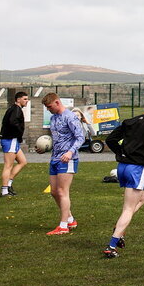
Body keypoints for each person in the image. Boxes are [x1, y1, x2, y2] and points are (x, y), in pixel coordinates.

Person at [102, 96, 144, 258]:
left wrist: (121, 152)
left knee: (143, 198)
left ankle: (119, 227)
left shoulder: (129, 121)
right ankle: (112, 245)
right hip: (137, 168)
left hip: (122, 167)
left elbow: (110, 139)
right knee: (128, 209)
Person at [42, 94, 85, 236]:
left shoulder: (70, 117)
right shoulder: (53, 118)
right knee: (54, 192)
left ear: (57, 102)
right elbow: (57, 139)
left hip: (68, 160)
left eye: (49, 107)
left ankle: (63, 226)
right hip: (54, 158)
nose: (48, 110)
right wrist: (43, 148)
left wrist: (70, 152)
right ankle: (70, 219)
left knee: (62, 191)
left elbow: (80, 137)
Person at [0, 90, 29, 197]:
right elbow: (13, 123)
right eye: (25, 99)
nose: (27, 101)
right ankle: (4, 191)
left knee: (23, 162)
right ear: (18, 99)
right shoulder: (16, 109)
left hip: (13, 140)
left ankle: (9, 184)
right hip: (10, 139)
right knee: (8, 165)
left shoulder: (15, 109)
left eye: (27, 99)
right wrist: (19, 132)